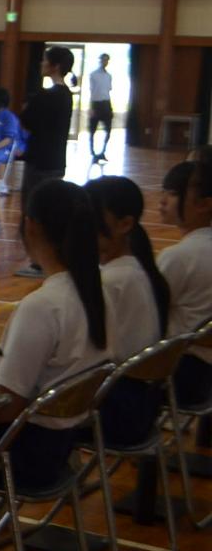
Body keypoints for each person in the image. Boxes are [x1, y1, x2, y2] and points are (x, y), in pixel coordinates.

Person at [0, 180, 109, 490]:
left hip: (22, 455)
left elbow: (6, 407)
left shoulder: (43, 305)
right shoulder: (97, 291)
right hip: (62, 443)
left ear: (30, 226)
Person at [87, 177, 169, 446]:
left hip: (118, 413)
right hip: (141, 406)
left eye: (94, 222)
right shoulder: (134, 268)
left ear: (125, 224)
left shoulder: (112, 280)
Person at [159, 151, 212, 409]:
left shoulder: (180, 256)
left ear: (204, 204)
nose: (163, 201)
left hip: (179, 378)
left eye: (174, 193)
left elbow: (148, 312)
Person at [16, 48, 75, 275]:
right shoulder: (67, 94)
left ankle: (37, 262)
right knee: (48, 210)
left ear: (55, 66)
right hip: (57, 160)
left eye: (45, 60)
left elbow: (26, 121)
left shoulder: (45, 96)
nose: (41, 63)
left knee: (33, 212)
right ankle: (48, 260)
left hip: (39, 161)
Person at [86, 52, 115, 163]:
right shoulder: (93, 74)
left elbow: (108, 91)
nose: (105, 62)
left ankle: (102, 152)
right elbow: (92, 91)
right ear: (100, 60)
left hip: (106, 103)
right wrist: (91, 107)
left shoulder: (109, 76)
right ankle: (93, 153)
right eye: (104, 60)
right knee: (92, 130)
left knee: (108, 130)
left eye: (107, 60)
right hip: (96, 104)